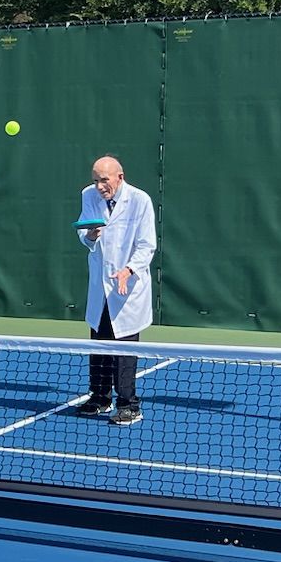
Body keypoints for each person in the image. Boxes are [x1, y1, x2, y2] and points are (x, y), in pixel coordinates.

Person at [76, 155, 158, 424]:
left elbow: (147, 245)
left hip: (128, 287)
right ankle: (100, 398)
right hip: (100, 285)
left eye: (104, 180)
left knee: (123, 346)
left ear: (119, 177)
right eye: (96, 180)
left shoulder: (140, 200)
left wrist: (127, 270)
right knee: (99, 342)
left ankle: (129, 405)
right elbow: (84, 230)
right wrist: (89, 236)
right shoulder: (88, 196)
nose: (99, 186)